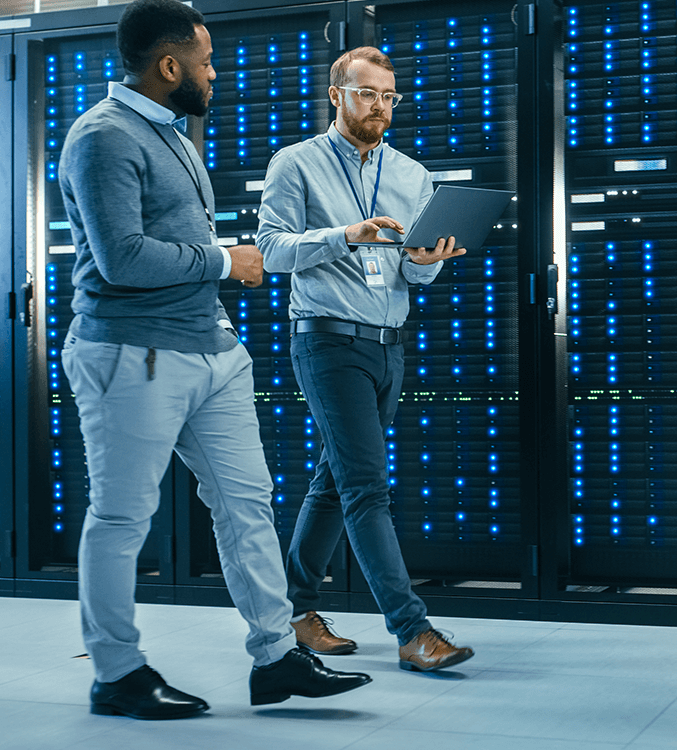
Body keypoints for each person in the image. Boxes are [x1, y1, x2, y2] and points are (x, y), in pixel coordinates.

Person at [59, 0, 371, 720]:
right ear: (169, 67)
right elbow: (122, 259)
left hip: (209, 351)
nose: (214, 72)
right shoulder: (102, 138)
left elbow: (176, 244)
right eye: (204, 61)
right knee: (121, 517)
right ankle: (116, 673)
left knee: (247, 505)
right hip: (131, 353)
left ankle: (275, 658)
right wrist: (227, 260)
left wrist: (223, 310)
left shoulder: (171, 132)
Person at [256, 46, 475, 672]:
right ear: (336, 95)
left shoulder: (411, 174)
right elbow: (271, 251)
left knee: (336, 479)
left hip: (390, 345)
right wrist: (344, 236)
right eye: (367, 94)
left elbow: (408, 267)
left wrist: (424, 265)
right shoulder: (294, 163)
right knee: (366, 487)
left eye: (389, 96)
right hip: (326, 341)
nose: (379, 106)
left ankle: (294, 610)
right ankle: (412, 631)